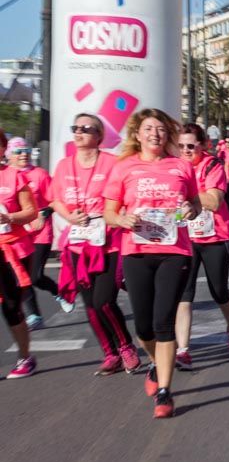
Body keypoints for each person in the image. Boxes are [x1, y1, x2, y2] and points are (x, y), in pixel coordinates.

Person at [103, 109, 201, 418]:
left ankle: (164, 392)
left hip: (175, 251)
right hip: (136, 251)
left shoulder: (182, 167)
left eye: (160, 129)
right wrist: (122, 218)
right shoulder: (124, 168)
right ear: (137, 134)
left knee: (163, 322)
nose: (155, 134)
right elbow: (109, 212)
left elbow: (195, 205)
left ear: (168, 135)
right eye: (149, 129)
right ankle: (156, 361)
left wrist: (190, 210)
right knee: (144, 326)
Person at [52, 115, 139, 375]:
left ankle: (126, 346)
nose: (78, 133)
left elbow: (126, 195)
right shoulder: (64, 165)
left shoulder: (113, 163)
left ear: (99, 136)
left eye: (85, 129)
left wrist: (119, 217)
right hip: (78, 244)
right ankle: (109, 353)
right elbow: (55, 200)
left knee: (103, 300)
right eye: (75, 128)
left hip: (108, 242)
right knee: (89, 303)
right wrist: (68, 216)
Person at [174, 124, 229, 369]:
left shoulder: (212, 165)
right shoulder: (173, 168)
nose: (185, 150)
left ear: (203, 145)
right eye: (181, 146)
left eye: (191, 146)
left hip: (215, 237)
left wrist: (185, 194)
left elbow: (214, 201)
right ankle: (183, 349)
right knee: (184, 293)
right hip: (186, 238)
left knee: (219, 291)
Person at [7, 138, 73, 327]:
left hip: (40, 233)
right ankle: (34, 315)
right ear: (9, 154)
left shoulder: (40, 175)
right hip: (17, 235)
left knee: (35, 276)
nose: (24, 154)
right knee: (22, 278)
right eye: (18, 151)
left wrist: (43, 214)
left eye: (26, 150)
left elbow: (54, 201)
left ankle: (59, 293)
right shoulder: (6, 176)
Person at [0, 131, 39, 379]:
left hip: (12, 248)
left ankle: (25, 357)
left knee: (11, 306)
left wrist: (10, 217)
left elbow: (31, 212)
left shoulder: (14, 177)